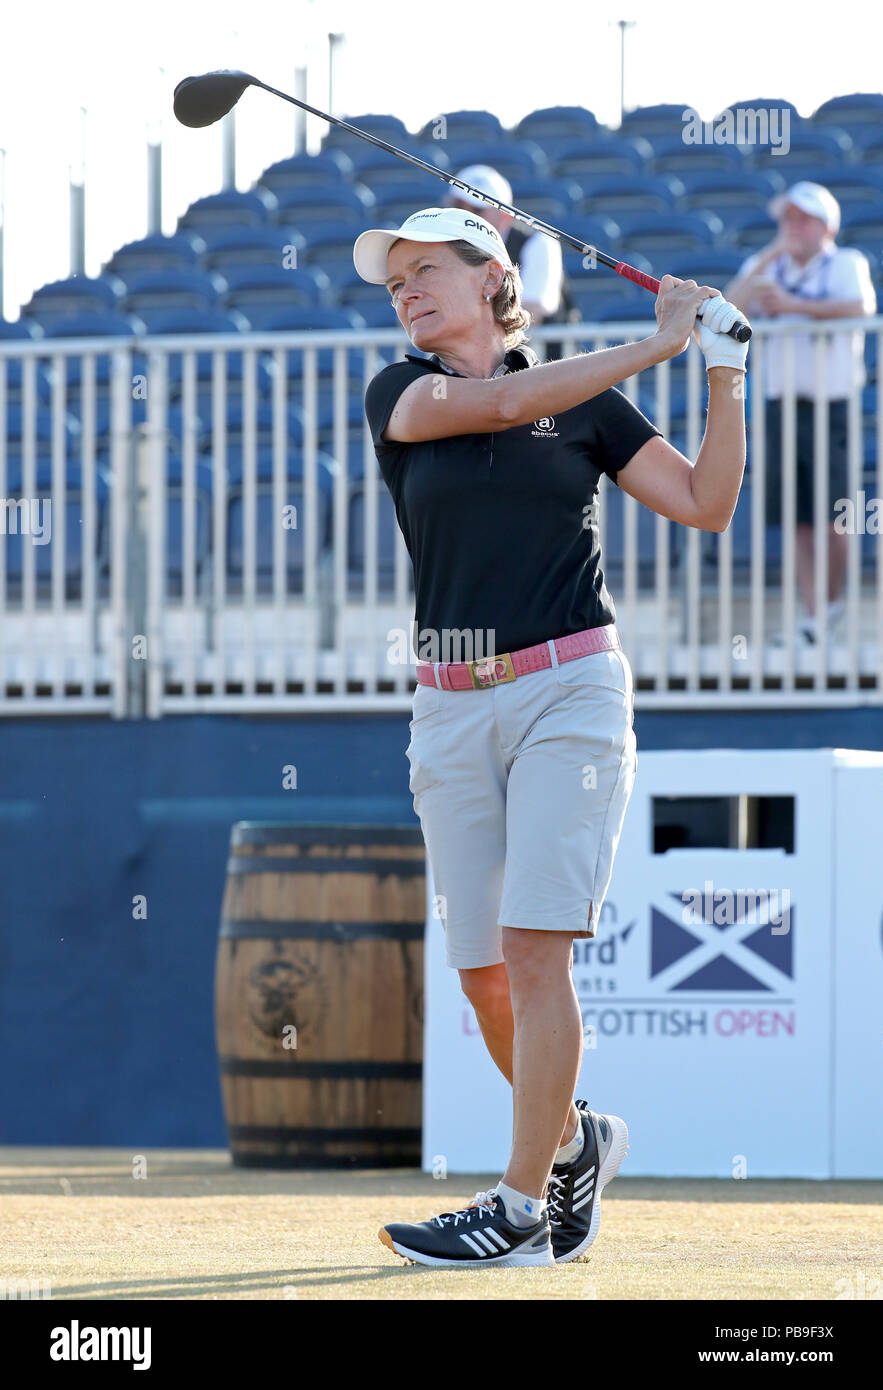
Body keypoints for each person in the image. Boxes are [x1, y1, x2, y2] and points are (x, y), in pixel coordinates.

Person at [354, 205, 749, 1268]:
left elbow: (706, 503)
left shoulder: (591, 412)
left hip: (568, 690)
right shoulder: (399, 390)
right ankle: (577, 1140)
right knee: (481, 970)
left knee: (533, 949)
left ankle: (522, 1206)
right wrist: (656, 339)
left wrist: (719, 372)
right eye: (394, 284)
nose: (406, 293)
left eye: (427, 271)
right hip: (446, 703)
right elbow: (504, 399)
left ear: (491, 278)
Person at [724, 182, 876, 645]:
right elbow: (729, 305)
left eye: (802, 218)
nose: (793, 226)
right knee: (795, 517)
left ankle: (830, 609)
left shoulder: (847, 262)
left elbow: (861, 307)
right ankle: (814, 618)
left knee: (835, 515)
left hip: (833, 405)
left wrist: (795, 308)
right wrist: (772, 254)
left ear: (825, 225)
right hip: (782, 405)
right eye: (788, 218)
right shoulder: (768, 265)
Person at [446, 164, 580, 361]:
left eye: (477, 209)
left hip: (547, 368)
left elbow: (533, 311)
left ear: (504, 216)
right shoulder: (446, 247)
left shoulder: (538, 242)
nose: (466, 216)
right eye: (458, 207)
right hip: (486, 368)